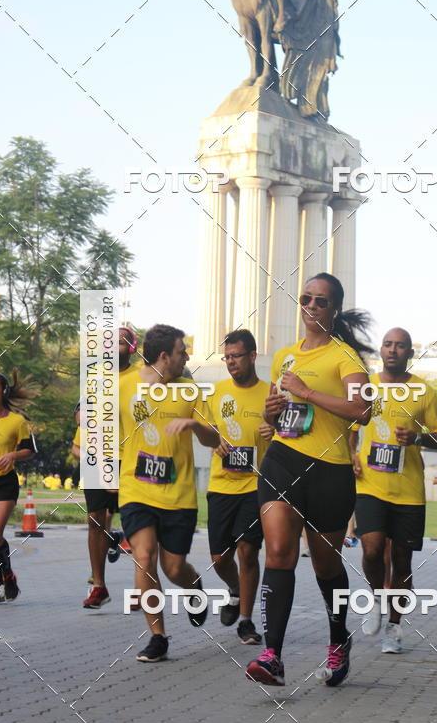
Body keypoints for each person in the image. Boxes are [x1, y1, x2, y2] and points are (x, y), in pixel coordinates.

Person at [246, 273, 373, 687]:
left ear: (334, 309)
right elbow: (276, 415)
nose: (312, 306)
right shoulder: (285, 355)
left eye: (321, 301)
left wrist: (307, 391)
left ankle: (339, 638)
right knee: (279, 550)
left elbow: (362, 411)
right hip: (282, 460)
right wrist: (271, 409)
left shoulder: (346, 358)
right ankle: (272, 656)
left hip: (328, 471)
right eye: (306, 299)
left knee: (325, 563)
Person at [118, 324, 219, 663]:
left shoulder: (190, 390)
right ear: (164, 356)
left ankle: (194, 589)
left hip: (179, 495)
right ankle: (158, 637)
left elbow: (214, 438)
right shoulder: (123, 386)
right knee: (144, 558)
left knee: (174, 568)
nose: (186, 356)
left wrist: (193, 425)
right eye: (182, 351)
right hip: (136, 488)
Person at [351, 328, 437, 653]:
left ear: (409, 353)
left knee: (402, 564)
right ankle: (376, 599)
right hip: (370, 486)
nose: (392, 350)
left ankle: (393, 627)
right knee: (372, 550)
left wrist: (417, 438)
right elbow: (351, 425)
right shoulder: (367, 386)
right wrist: (351, 454)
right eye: (388, 344)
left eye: (400, 345)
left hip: (408, 492)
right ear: (382, 349)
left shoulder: (423, 391)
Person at [204, 329, 273, 645]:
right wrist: (214, 442)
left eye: (237, 356)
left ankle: (246, 620)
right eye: (227, 357)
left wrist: (276, 430)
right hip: (221, 485)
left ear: (253, 356)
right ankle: (234, 589)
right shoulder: (216, 392)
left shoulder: (271, 393)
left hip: (255, 485)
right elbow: (207, 433)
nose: (231, 362)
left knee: (248, 551)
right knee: (220, 558)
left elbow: (292, 432)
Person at [72, 327, 138, 607]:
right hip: (99, 459)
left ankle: (142, 589)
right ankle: (99, 586)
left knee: (138, 523)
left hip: (131, 459)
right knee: (95, 520)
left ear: (132, 347)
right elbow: (81, 416)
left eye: (121, 342)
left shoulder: (141, 378)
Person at [0, 371, 37, 604]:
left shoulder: (16, 421)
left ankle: (9, 576)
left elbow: (30, 450)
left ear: (3, 391)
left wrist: (12, 455)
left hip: (4, 482)